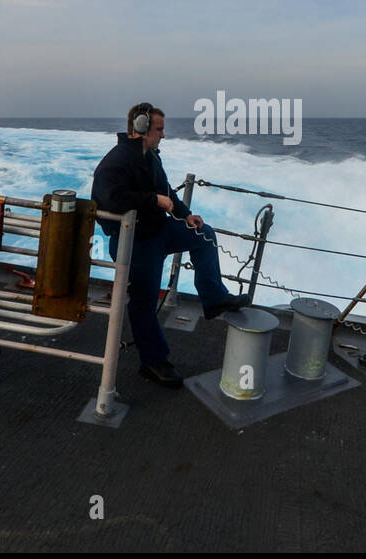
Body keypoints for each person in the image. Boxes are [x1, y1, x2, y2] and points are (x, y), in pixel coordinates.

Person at [92, 102, 249, 387]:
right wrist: (151, 201)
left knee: (205, 236)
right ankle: (153, 362)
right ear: (140, 128)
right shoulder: (116, 160)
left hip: (160, 230)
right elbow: (109, 197)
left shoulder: (150, 156)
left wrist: (185, 215)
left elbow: (165, 191)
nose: (163, 135)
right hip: (135, 242)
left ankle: (213, 299)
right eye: (159, 129)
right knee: (144, 302)